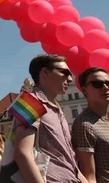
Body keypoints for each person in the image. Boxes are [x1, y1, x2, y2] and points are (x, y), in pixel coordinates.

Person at [10, 54, 87, 183]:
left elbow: (67, 158)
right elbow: (22, 153)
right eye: (65, 73)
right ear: (45, 72)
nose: (69, 78)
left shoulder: (57, 109)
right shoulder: (29, 101)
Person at [72, 67, 109, 183]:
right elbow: (89, 176)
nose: (105, 87)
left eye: (108, 83)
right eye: (97, 84)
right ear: (84, 90)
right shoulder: (84, 125)